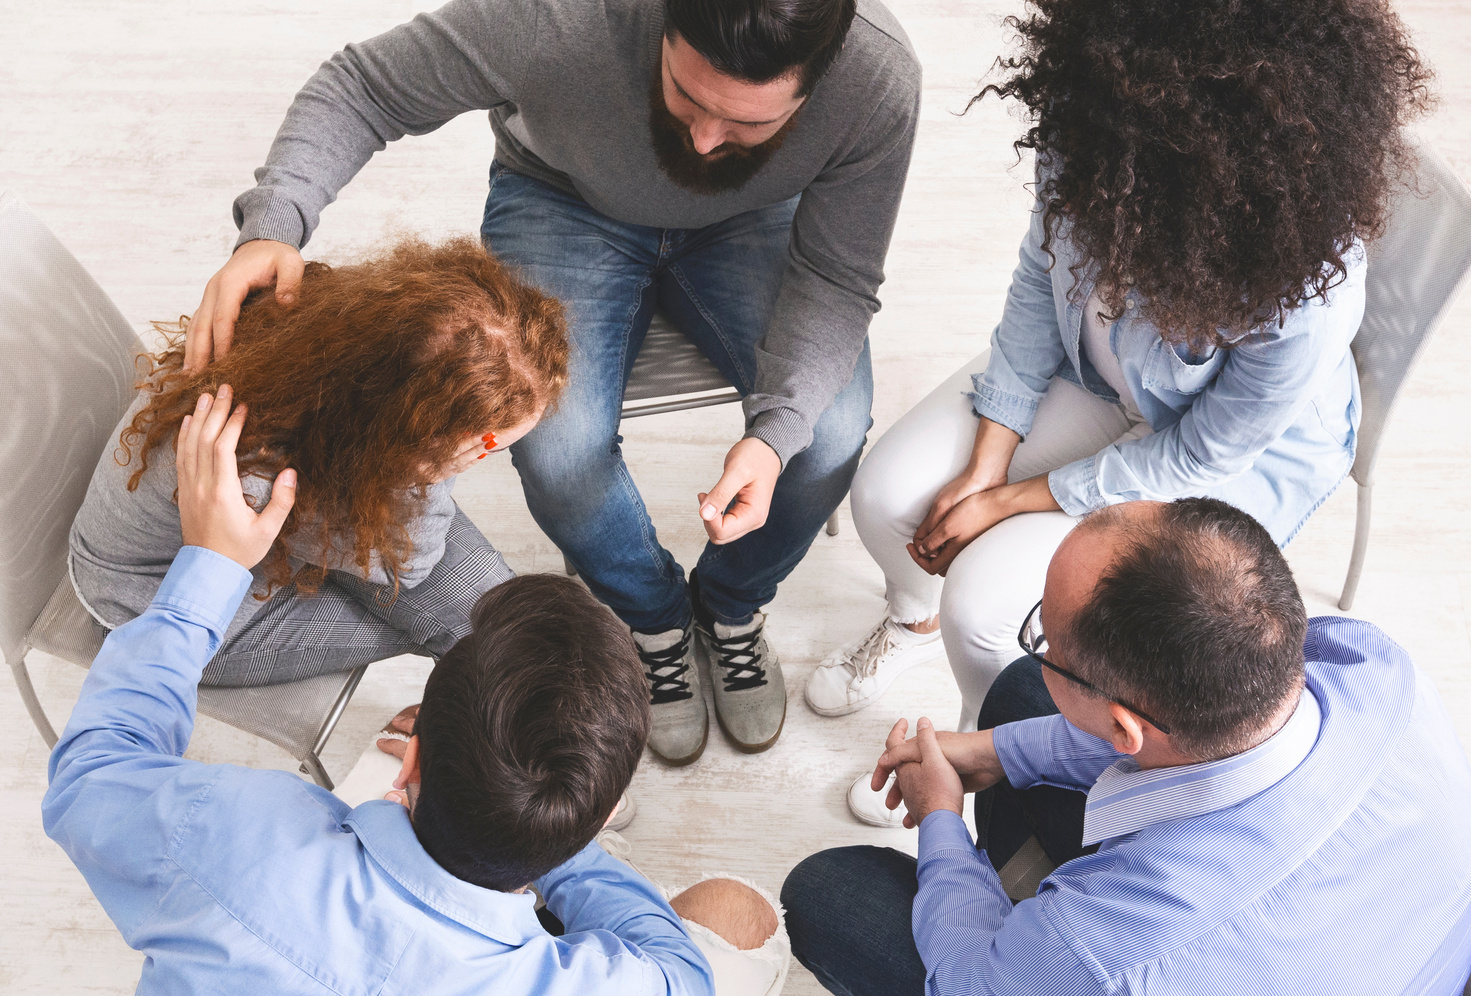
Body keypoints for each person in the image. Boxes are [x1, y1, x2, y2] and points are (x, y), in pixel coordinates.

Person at [182, 0, 922, 764]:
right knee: (557, 445)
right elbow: (364, 86)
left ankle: (732, 606)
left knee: (825, 431)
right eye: (686, 94)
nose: (703, 141)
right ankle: (653, 620)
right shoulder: (553, 15)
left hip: (756, 221)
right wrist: (273, 224)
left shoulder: (875, 76)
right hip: (562, 199)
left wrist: (776, 435)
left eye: (748, 124)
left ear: (816, 82)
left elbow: (837, 274)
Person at [805, 0, 1433, 818]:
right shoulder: (1098, 134)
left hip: (1222, 453)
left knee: (987, 608)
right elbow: (1038, 279)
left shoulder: (1301, 292)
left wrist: (1007, 499)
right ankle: (911, 620)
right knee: (889, 495)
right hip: (1102, 376)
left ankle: (977, 753)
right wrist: (988, 453)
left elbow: (1201, 457)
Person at [44, 393, 786, 995]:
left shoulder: (235, 834)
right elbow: (680, 975)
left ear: (412, 762)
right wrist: (552, 839)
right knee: (738, 912)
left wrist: (207, 566)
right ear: (598, 812)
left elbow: (91, 772)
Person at [782, 497, 1471, 995]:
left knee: (828, 896)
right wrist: (994, 753)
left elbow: (965, 980)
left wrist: (938, 816)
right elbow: (1194, 735)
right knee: (1023, 694)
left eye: (1044, 637)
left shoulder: (1097, 954)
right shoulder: (1371, 664)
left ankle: (1017, 923)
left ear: (1122, 728)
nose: (1041, 645)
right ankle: (1017, 883)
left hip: (1090, 966)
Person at [69, 236, 564, 689]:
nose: (487, 457)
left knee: (500, 624)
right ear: (407, 432)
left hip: (293, 514)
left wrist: (435, 452)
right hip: (169, 606)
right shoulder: (259, 479)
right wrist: (439, 468)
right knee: (472, 631)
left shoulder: (335, 339)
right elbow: (415, 563)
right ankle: (472, 738)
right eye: (488, 445)